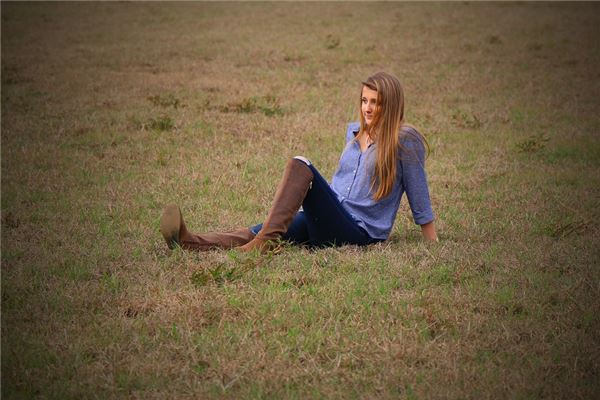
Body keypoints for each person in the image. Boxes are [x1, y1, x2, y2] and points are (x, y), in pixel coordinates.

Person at [160, 71, 437, 254]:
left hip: (359, 232)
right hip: (329, 219)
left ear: (391, 105)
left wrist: (431, 241)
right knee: (262, 230)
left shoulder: (405, 139)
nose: (367, 107)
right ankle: (188, 241)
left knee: (300, 164)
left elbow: (419, 193)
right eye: (364, 100)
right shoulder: (354, 132)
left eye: (376, 102)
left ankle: (263, 244)